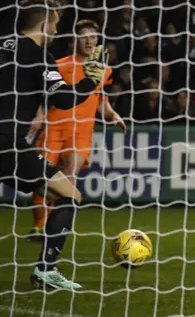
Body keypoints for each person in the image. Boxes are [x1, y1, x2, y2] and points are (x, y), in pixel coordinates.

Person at [0, 0, 106, 290]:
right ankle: (46, 269)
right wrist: (89, 81)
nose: (57, 31)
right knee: (69, 195)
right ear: (44, 23)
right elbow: (61, 99)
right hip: (6, 143)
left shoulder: (3, 43)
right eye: (56, 24)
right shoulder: (37, 54)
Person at [27, 19, 125, 240]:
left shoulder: (103, 70)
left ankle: (54, 229)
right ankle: (38, 226)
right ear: (74, 41)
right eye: (85, 36)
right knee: (43, 178)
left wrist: (113, 115)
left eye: (93, 36)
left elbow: (100, 99)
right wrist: (39, 116)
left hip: (81, 132)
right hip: (53, 128)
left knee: (70, 174)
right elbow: (46, 95)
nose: (90, 40)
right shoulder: (59, 65)